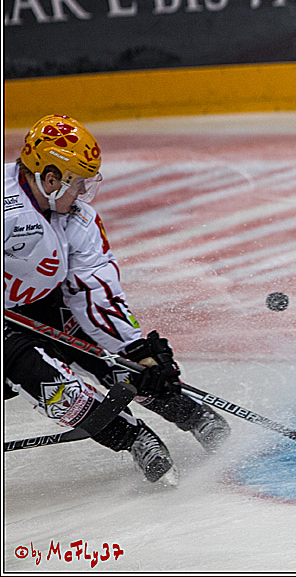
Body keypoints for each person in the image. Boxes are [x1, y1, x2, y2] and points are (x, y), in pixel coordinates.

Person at [4, 114, 230, 484]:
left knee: (126, 364)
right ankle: (134, 438)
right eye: (78, 184)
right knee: (55, 388)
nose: (83, 194)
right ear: (49, 179)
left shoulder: (77, 220)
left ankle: (193, 415)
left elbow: (96, 290)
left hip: (44, 303)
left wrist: (137, 348)